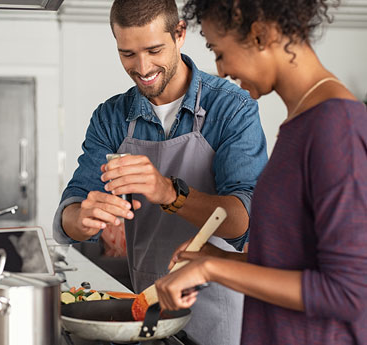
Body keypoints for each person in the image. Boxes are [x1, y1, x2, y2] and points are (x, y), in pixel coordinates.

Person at [53, 0, 268, 343]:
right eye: (127, 54)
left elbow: (244, 221)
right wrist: (82, 217)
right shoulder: (111, 117)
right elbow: (71, 212)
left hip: (221, 315)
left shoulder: (232, 108)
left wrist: (170, 193)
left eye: (154, 50)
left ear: (180, 34)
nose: (142, 67)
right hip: (149, 313)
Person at [155, 0, 367, 344]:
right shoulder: (301, 123)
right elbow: (295, 258)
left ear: (260, 35)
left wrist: (212, 268)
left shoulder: (335, 127)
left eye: (219, 51)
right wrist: (219, 256)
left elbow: (349, 291)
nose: (220, 70)